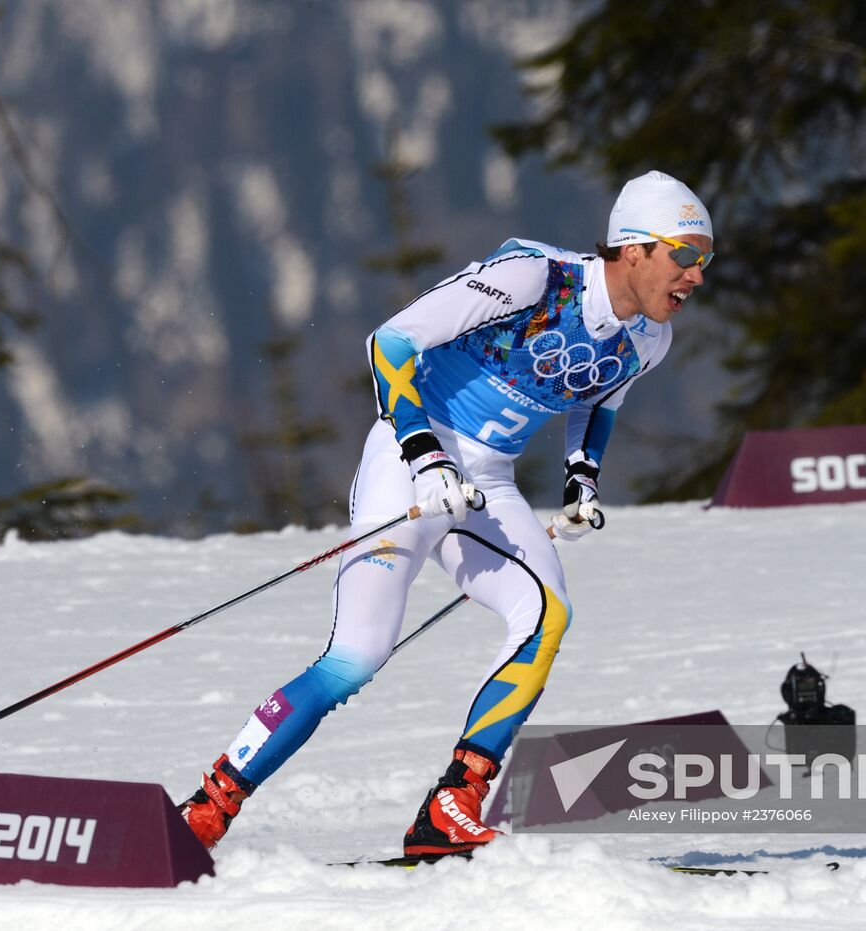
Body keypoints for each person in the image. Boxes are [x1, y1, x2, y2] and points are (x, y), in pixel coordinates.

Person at [177, 170, 714, 856]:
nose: (697, 276)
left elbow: (598, 400)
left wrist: (581, 478)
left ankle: (452, 805)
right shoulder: (535, 278)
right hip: (408, 458)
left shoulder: (649, 340)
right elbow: (390, 342)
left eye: (706, 259)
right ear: (633, 249)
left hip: (487, 481)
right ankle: (208, 806)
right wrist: (425, 454)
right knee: (356, 657)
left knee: (546, 615)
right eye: (685, 255)